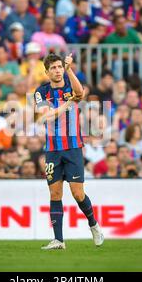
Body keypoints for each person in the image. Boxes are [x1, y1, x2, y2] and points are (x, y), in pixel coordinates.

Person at [34, 53, 104, 250]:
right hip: (52, 150)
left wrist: (69, 69)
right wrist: (67, 104)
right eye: (53, 68)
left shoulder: (69, 84)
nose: (57, 70)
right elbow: (46, 117)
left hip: (73, 147)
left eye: (59, 67)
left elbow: (80, 93)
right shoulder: (41, 92)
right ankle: (58, 240)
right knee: (55, 193)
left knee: (77, 193)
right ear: (47, 72)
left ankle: (94, 225)